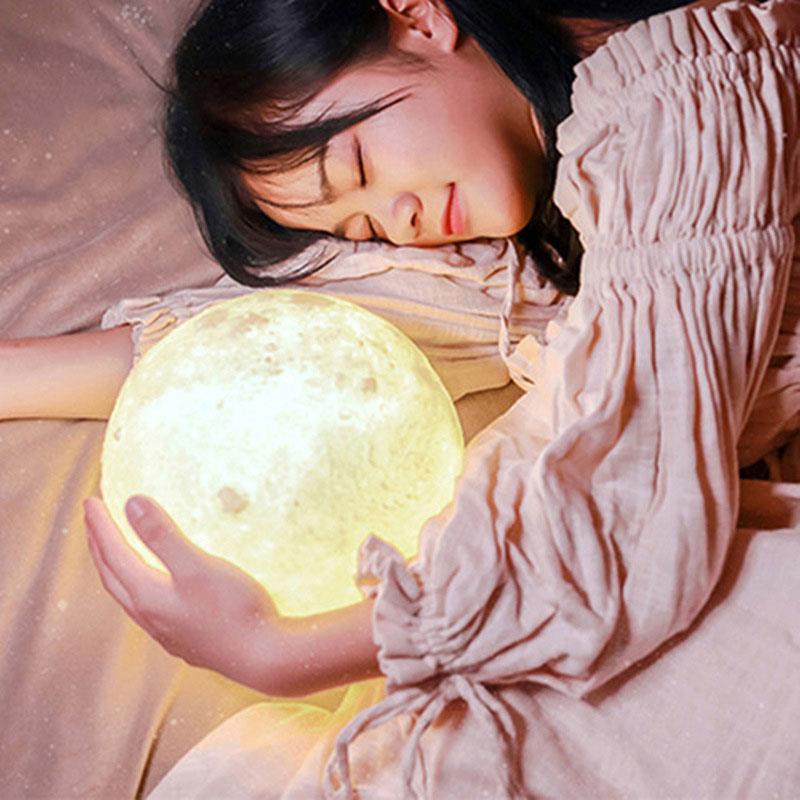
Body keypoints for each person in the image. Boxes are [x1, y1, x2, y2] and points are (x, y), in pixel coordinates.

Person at [2, 0, 799, 796]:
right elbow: (286, 342)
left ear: (417, 16)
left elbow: (635, 517)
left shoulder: (683, 98)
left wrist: (286, 651)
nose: (400, 219)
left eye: (355, 170)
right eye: (364, 227)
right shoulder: (540, 222)